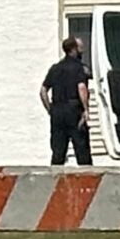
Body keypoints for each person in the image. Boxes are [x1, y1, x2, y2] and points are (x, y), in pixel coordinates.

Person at [40, 38, 91, 166]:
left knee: (58, 153)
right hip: (74, 111)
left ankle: (53, 182)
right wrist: (86, 109)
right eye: (80, 48)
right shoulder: (79, 68)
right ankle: (87, 183)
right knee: (82, 152)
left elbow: (43, 90)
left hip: (57, 111)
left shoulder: (55, 68)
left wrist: (50, 109)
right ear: (73, 49)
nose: (82, 51)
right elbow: (81, 88)